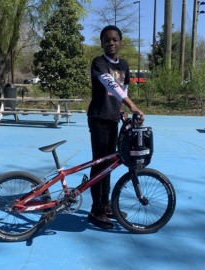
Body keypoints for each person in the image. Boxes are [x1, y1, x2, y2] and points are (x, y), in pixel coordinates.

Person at [87, 25, 145, 229]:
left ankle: (105, 204)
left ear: (120, 41)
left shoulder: (124, 65)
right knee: (99, 162)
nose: (111, 43)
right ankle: (95, 209)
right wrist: (132, 105)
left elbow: (124, 87)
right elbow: (111, 84)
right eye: (106, 40)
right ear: (102, 43)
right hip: (99, 117)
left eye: (114, 39)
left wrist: (122, 110)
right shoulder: (99, 63)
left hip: (113, 118)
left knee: (110, 162)